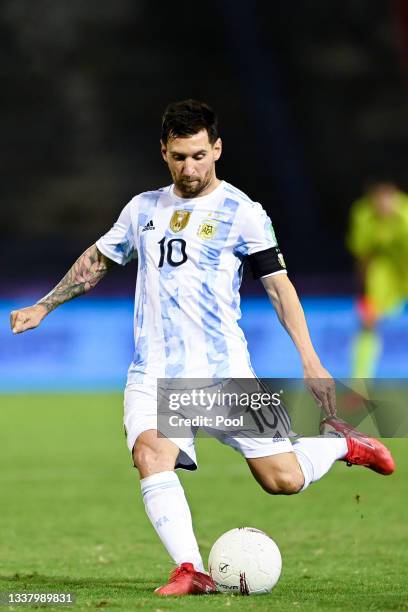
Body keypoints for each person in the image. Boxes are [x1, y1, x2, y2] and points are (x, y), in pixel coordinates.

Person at [10, 100, 395, 596]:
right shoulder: (143, 209)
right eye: (178, 157)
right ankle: (191, 569)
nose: (189, 168)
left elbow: (280, 288)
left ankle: (346, 443)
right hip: (153, 371)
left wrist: (311, 359)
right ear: (164, 153)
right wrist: (45, 306)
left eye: (198, 155)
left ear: (216, 148)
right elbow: (99, 259)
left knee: (282, 479)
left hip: (223, 373)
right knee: (150, 452)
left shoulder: (244, 213)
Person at [347, 182, 408, 377]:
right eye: (378, 198)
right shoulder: (362, 214)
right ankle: (359, 382)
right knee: (367, 321)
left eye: (388, 197)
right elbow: (362, 256)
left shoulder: (406, 215)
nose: (383, 204)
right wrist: (364, 293)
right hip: (382, 276)